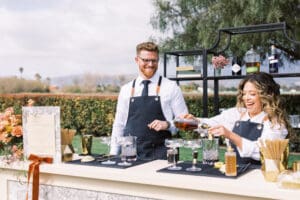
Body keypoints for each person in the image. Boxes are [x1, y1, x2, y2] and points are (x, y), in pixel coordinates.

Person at [183, 72, 290, 165]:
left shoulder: (275, 123)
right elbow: (211, 123)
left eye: (252, 94)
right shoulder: (237, 113)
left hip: (260, 175)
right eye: (244, 94)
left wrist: (230, 135)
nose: (246, 98)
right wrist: (194, 121)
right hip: (233, 170)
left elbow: (264, 152)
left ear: (266, 96)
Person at [110, 41, 188, 160]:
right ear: (137, 60)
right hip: (130, 154)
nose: (150, 64)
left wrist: (167, 124)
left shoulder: (171, 87)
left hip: (163, 154)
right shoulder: (125, 90)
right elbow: (119, 125)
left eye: (154, 60)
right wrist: (113, 154)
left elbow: (185, 122)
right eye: (146, 60)